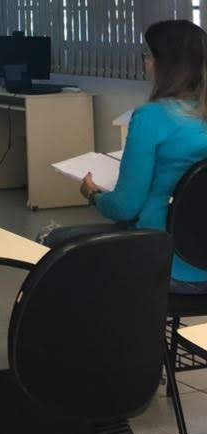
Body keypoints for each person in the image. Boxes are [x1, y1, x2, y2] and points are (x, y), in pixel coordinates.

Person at [46, 19, 207, 292]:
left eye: (148, 55)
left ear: (165, 64)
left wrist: (93, 194)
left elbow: (125, 207)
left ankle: (98, 317)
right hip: (200, 262)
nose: (146, 63)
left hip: (163, 260)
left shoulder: (151, 117)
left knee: (51, 240)